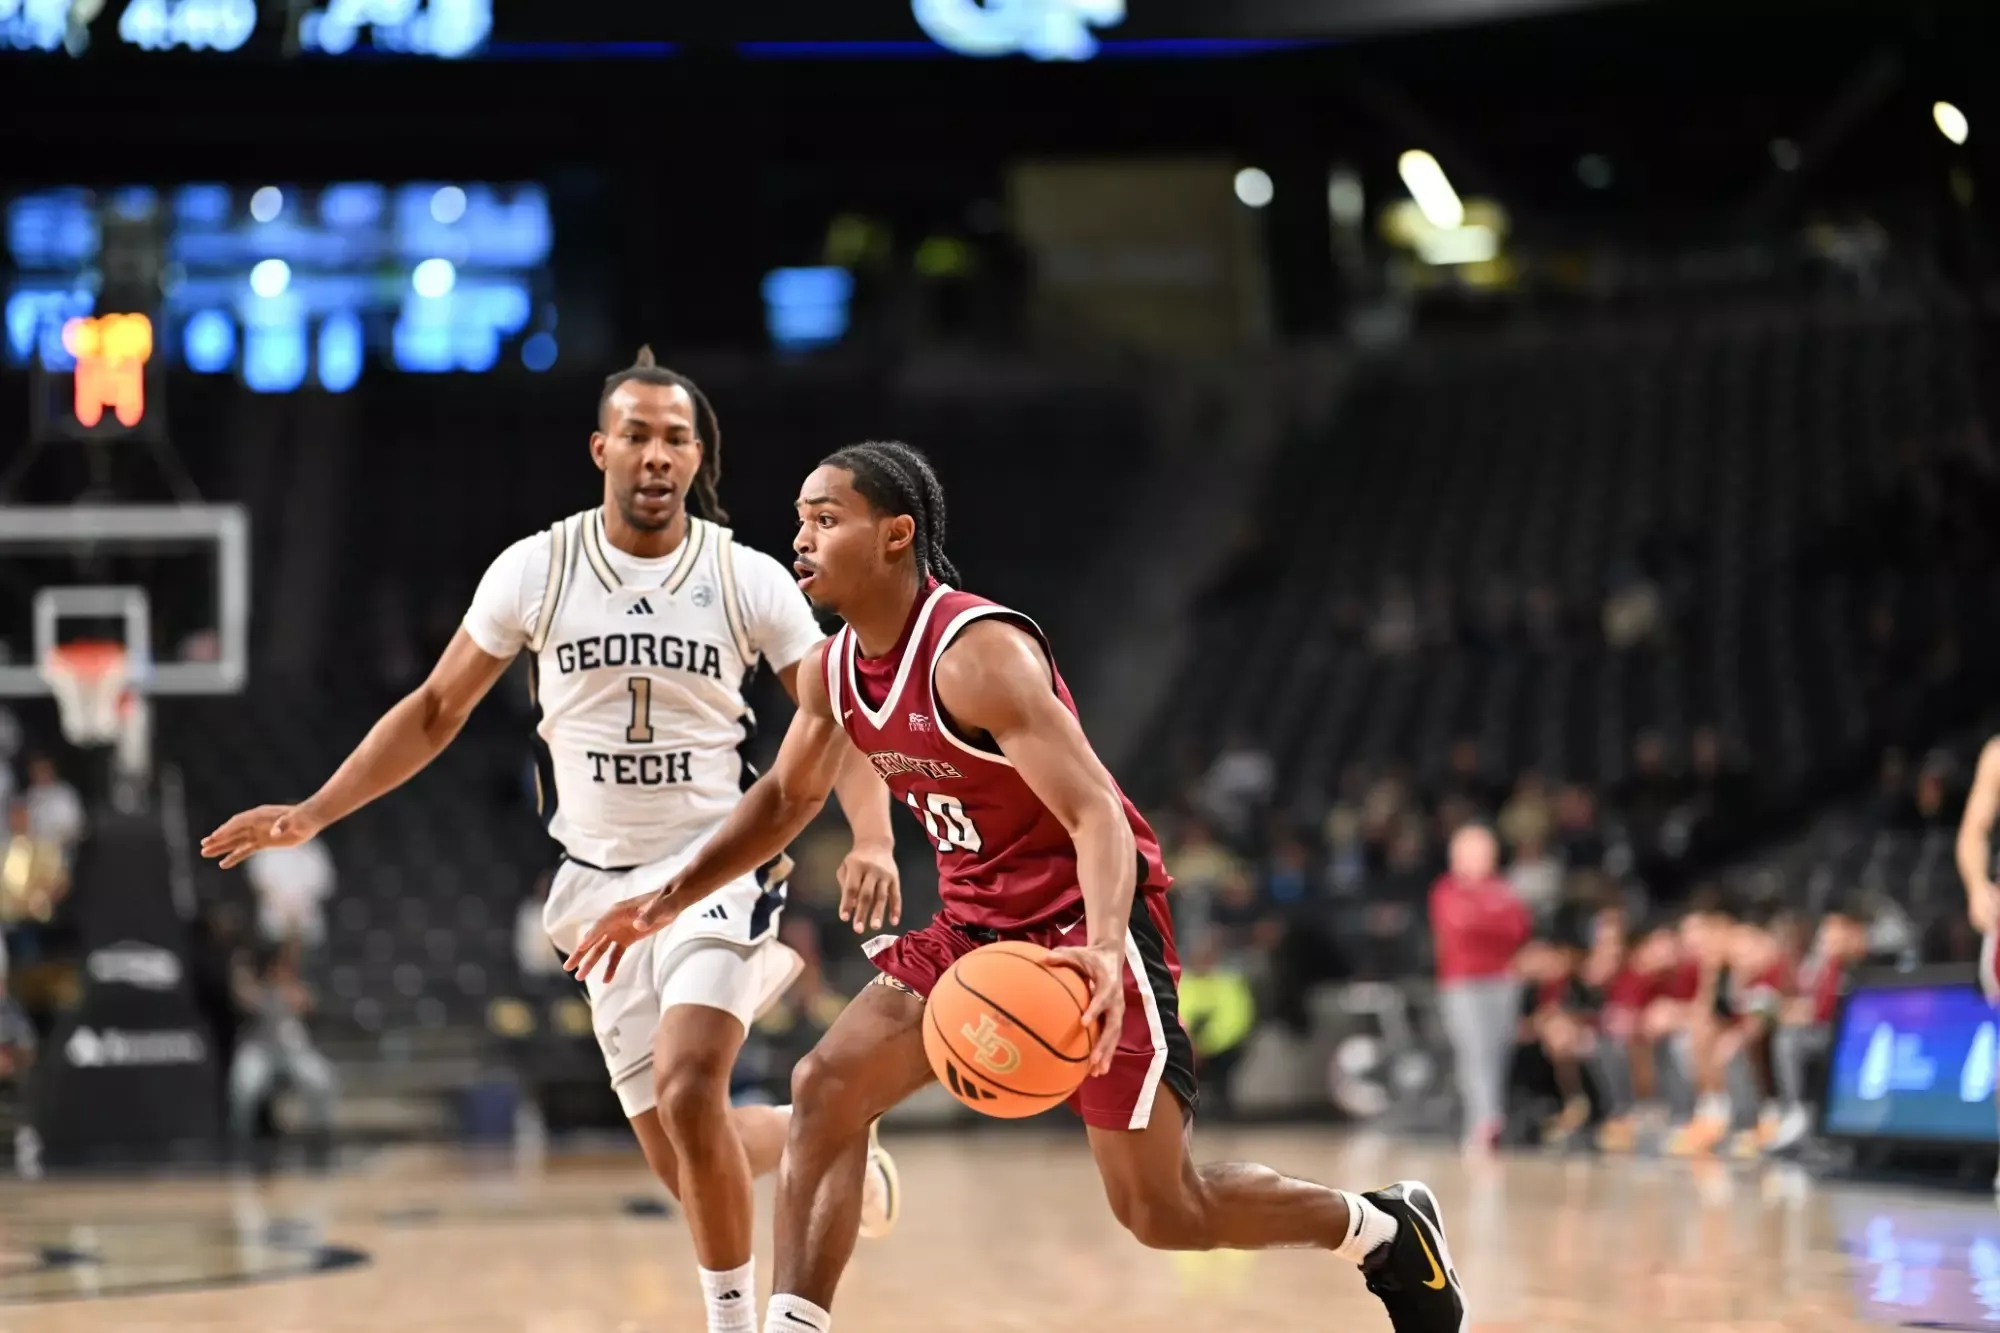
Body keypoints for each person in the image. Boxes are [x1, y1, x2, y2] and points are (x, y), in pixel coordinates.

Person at [567, 441, 1467, 1333]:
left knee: (1163, 1212)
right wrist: (663, 900)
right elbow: (786, 800)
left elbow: (1098, 816)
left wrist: (1108, 950)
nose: (799, 538)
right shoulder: (836, 671)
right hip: (971, 928)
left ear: (896, 535)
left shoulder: (977, 653)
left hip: (1085, 928)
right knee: (826, 1086)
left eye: (825, 519)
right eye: (799, 520)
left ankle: (1381, 1229)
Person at [200, 350, 903, 1333]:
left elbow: (840, 716)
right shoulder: (537, 567)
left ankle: (738, 1324)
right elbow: (438, 705)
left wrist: (869, 835)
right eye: (638, 434)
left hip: (717, 868)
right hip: (596, 888)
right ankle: (818, 1137)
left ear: (699, 457)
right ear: (600, 446)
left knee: (692, 1079)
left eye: (676, 438)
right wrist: (314, 810)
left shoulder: (746, 579)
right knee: (678, 1152)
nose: (655, 454)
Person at [1428, 823, 1530, 1153]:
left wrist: (1484, 919)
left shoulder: (1504, 889)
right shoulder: (1445, 891)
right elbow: (1460, 925)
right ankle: (1484, 1122)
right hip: (1463, 984)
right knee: (1473, 1052)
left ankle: (1491, 1117)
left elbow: (1516, 928)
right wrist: (1489, 919)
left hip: (1502, 981)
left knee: (1498, 1052)